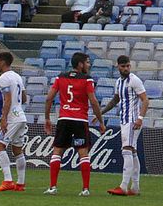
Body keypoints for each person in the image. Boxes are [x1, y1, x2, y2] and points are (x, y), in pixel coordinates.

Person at [42, 52, 106, 196]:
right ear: (80, 64)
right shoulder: (87, 80)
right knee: (83, 153)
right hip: (80, 120)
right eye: (87, 62)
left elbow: (49, 98)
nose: (89, 65)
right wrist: (101, 121)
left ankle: (52, 187)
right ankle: (85, 189)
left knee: (57, 151)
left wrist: (47, 118)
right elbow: (94, 101)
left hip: (64, 119)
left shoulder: (61, 77)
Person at [100, 54, 150, 196]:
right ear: (118, 67)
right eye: (123, 66)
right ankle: (134, 188)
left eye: (128, 66)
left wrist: (140, 118)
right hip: (124, 120)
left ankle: (123, 186)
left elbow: (145, 100)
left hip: (132, 120)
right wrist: (101, 112)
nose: (126, 68)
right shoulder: (119, 82)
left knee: (126, 150)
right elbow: (116, 99)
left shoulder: (134, 80)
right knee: (132, 151)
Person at [0, 51, 29, 192]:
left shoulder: (4, 78)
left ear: (3, 62)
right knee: (17, 150)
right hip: (21, 116)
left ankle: (7, 181)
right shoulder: (17, 77)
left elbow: (7, 99)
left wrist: (4, 118)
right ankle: (20, 184)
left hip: (12, 117)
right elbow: (24, 98)